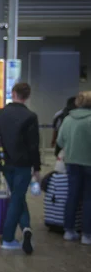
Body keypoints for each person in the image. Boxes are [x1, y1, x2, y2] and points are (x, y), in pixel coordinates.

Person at [0, 83, 40, 254]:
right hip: (23, 164)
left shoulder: (0, 114)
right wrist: (37, 168)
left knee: (17, 197)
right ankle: (7, 238)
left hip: (6, 163)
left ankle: (26, 227)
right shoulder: (30, 116)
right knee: (17, 198)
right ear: (27, 96)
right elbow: (33, 145)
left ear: (13, 93)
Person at [56, 91, 91, 245]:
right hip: (89, 163)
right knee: (88, 199)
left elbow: (60, 141)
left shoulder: (68, 119)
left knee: (72, 196)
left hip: (71, 163)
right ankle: (87, 235)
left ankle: (69, 231)